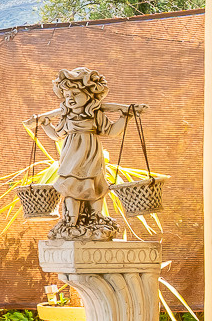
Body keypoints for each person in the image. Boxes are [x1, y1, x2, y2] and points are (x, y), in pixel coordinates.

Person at [25, 67, 143, 241]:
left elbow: (112, 131)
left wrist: (125, 117)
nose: (70, 99)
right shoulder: (67, 116)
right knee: (71, 186)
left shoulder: (95, 114)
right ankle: (71, 221)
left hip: (92, 156)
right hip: (72, 158)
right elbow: (57, 135)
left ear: (89, 95)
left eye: (75, 94)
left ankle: (97, 218)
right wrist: (44, 124)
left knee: (96, 187)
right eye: (67, 95)